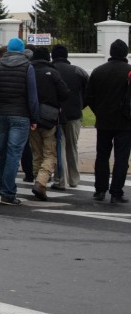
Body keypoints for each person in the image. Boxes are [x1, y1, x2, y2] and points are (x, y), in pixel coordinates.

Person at [0, 37, 38, 206]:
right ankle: (8, 192)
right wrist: (34, 117)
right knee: (14, 153)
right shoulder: (27, 67)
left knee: (2, 152)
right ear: (21, 50)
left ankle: (0, 185)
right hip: (20, 115)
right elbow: (32, 95)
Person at [85, 39, 131, 203]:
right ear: (125, 53)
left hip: (104, 121)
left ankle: (100, 190)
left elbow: (89, 97)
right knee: (121, 158)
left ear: (110, 52)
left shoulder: (98, 71)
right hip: (125, 122)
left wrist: (99, 112)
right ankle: (116, 192)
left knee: (102, 156)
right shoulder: (129, 71)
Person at [28, 47, 69, 200]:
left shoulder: (28, 71)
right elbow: (65, 92)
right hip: (49, 118)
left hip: (32, 117)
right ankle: (41, 182)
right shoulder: (52, 72)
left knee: (36, 152)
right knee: (49, 153)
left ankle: (37, 179)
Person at [50, 45, 89, 190]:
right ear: (67, 56)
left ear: (53, 56)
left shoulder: (49, 70)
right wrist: (80, 105)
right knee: (72, 147)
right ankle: (74, 178)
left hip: (54, 116)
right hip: (74, 115)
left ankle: (60, 179)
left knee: (58, 147)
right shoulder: (78, 71)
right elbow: (89, 92)